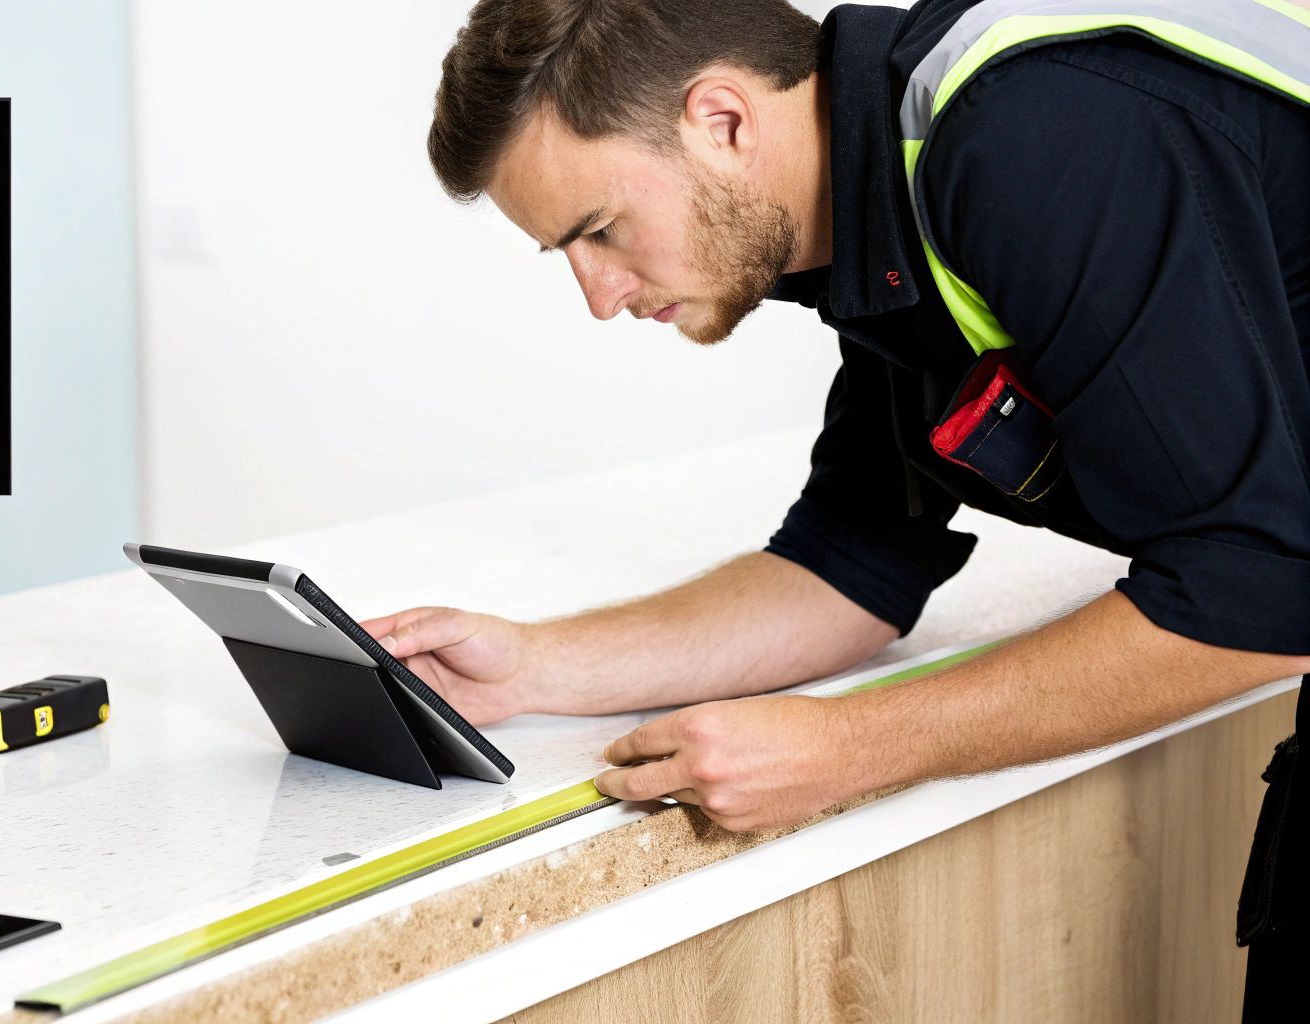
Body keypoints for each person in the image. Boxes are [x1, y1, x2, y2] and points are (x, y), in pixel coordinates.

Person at [357, 0, 1310, 1015]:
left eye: (598, 231)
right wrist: (536, 665)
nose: (598, 296)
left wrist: (850, 745)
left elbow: (1261, 592)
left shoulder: (1029, 132)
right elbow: (850, 564)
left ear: (720, 120)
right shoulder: (891, 209)